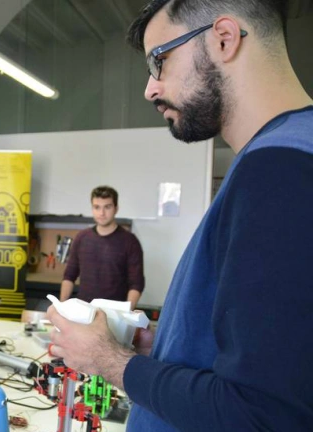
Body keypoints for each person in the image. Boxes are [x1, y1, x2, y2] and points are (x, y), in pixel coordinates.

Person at [48, 0, 313, 430]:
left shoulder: (280, 169)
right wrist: (166, 348)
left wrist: (110, 361)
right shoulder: (279, 157)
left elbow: (260, 414)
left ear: (224, 39)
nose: (150, 89)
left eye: (160, 60)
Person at [59, 186, 145, 309]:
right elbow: (69, 276)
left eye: (107, 207)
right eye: (97, 207)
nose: (102, 213)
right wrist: (62, 307)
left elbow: (136, 284)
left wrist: (125, 314)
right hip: (84, 310)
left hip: (114, 313)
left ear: (116, 208)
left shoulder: (130, 241)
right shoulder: (82, 238)